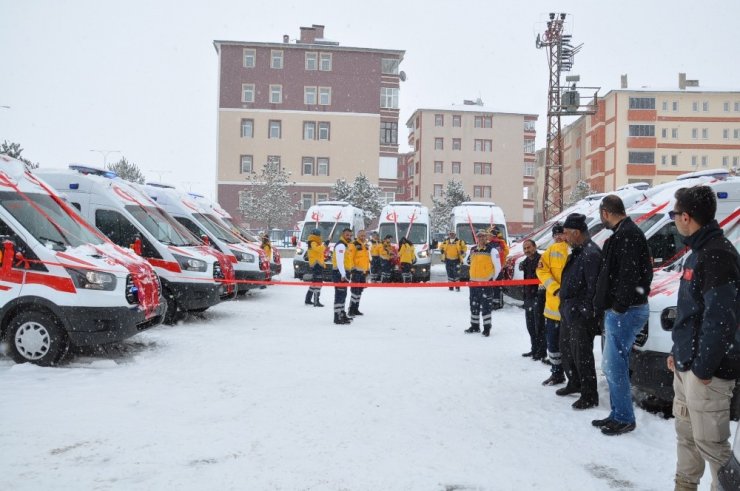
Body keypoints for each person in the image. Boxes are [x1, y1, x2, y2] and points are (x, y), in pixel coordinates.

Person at [666, 186, 740, 491]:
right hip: (687, 367)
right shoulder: (698, 252)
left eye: (674, 214)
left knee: (713, 447)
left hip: (706, 375)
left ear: (686, 217)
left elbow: (721, 320)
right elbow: (691, 313)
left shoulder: (717, 254)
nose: (674, 220)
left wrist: (703, 368)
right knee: (687, 439)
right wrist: (678, 352)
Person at [592, 194, 653, 436]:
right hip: (624, 310)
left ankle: (625, 417)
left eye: (601, 216)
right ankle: (618, 413)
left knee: (614, 366)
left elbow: (630, 275)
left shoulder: (627, 235)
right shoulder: (624, 233)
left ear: (606, 213)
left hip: (626, 312)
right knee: (614, 364)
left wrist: (618, 306)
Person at [558, 213, 602, 410]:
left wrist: (584, 310)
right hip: (570, 311)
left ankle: (589, 394)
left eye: (566, 233)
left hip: (580, 315)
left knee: (582, 354)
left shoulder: (591, 253)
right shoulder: (577, 251)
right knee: (568, 349)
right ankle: (574, 381)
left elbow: (594, 288)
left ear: (576, 233)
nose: (564, 237)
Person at [536, 223, 569, 386]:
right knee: (553, 345)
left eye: (561, 234)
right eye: (555, 234)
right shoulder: (550, 251)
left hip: (569, 308)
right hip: (552, 309)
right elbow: (541, 270)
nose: (558, 237)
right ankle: (557, 373)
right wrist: (555, 288)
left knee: (568, 346)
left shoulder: (572, 251)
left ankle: (573, 377)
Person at [464, 229, 501, 337]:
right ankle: (474, 326)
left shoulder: (492, 250)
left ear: (487, 237)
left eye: (483, 236)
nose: (481, 238)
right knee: (474, 305)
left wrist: (491, 279)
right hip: (474, 283)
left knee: (486, 307)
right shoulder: (473, 250)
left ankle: (486, 328)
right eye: (479, 236)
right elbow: (469, 262)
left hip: (486, 284)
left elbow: (498, 267)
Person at [519, 239, 546, 361]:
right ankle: (534, 348)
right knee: (530, 325)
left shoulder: (540, 260)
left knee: (539, 325)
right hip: (528, 297)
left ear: (535, 247)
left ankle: (541, 351)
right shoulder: (525, 262)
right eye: (524, 248)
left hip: (538, 297)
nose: (527, 250)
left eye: (529, 247)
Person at [331, 228, 354, 325]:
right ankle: (337, 316)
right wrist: (343, 274)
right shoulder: (341, 245)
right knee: (340, 295)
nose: (348, 237)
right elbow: (340, 261)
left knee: (343, 295)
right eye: (347, 235)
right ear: (343, 235)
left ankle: (341, 313)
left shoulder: (345, 245)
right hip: (340, 273)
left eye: (350, 235)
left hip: (343, 272)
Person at [347, 229, 370, 316]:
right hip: (356, 271)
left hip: (363, 272)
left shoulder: (365, 246)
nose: (363, 237)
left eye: (364, 236)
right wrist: (352, 269)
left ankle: (356, 308)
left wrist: (367, 270)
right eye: (361, 236)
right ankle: (351, 310)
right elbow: (350, 258)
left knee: (360, 291)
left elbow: (366, 259)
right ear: (358, 236)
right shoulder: (354, 245)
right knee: (354, 291)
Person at [488, 226, 509, 309]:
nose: (488, 237)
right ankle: (498, 303)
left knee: (493, 286)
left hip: (493, 268)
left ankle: (494, 302)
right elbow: (506, 252)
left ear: (493, 235)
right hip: (499, 267)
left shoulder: (489, 244)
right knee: (498, 286)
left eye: (489, 235)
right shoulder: (502, 243)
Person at [304, 228, 326, 307]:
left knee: (314, 283)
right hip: (316, 264)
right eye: (319, 235)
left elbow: (319, 251)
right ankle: (316, 301)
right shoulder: (313, 242)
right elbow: (318, 250)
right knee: (318, 283)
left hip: (317, 264)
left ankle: (308, 299)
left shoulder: (314, 242)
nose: (320, 236)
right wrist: (325, 245)